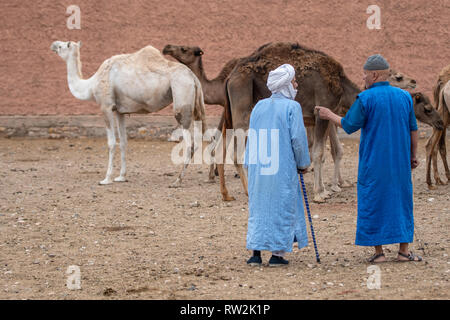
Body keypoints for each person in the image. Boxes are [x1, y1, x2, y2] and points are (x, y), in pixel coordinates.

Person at [315, 54, 422, 263]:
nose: (363, 78)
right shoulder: (405, 97)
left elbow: (348, 125)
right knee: (401, 201)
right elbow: (414, 130)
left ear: (374, 75)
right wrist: (413, 156)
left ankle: (379, 253)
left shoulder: (365, 98)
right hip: (400, 162)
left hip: (374, 163)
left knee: (373, 200)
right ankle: (404, 251)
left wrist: (328, 114)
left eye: (365, 74)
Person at [244, 64, 311, 267]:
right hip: (282, 168)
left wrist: (249, 164)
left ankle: (255, 254)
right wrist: (303, 163)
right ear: (285, 85)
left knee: (259, 207)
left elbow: (251, 136)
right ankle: (277, 255)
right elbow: (298, 139)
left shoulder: (259, 106)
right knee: (282, 206)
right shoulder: (292, 107)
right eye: (294, 81)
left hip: (258, 166)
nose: (296, 84)